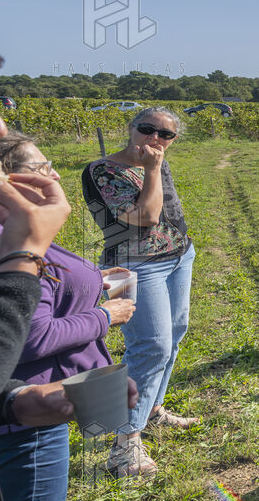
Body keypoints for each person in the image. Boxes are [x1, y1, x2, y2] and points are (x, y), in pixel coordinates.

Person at [0, 32, 133, 501]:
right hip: (18, 438)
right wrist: (103, 314)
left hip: (21, 409)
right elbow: (31, 337)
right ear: (5, 179)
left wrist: (13, 401)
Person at [83, 107, 198, 477]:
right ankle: (124, 443)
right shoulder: (102, 170)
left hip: (178, 258)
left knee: (174, 336)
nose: (155, 139)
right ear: (131, 128)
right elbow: (145, 218)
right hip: (127, 267)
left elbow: (169, 211)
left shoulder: (157, 162)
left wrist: (155, 168)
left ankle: (151, 409)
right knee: (149, 346)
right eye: (148, 129)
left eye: (165, 134)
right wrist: (152, 170)